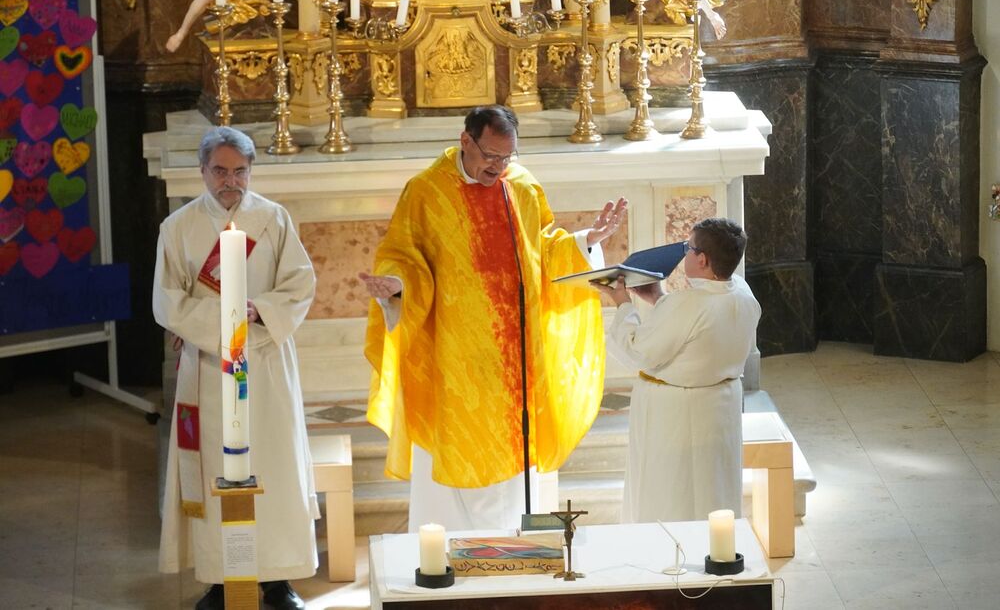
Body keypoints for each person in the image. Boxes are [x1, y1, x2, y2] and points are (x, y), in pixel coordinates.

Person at [360, 105, 627, 531]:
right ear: (465, 141)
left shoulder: (520, 185)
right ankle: (447, 555)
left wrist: (584, 241)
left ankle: (514, 554)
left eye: (507, 157)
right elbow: (403, 256)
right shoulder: (427, 192)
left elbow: (543, 247)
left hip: (515, 358)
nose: (498, 167)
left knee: (515, 471)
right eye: (490, 156)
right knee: (454, 469)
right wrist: (397, 285)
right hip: (455, 358)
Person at [154, 127, 318, 610]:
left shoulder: (273, 219)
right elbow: (167, 301)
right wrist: (223, 323)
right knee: (214, 471)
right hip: (208, 367)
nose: (231, 181)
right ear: (203, 171)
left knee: (275, 465)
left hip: (265, 362)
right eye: (220, 171)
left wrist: (258, 312)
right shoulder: (178, 227)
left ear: (251, 171)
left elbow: (299, 284)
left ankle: (278, 578)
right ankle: (221, 578)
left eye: (240, 171)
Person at [594, 218, 760, 523]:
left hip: (676, 417)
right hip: (719, 409)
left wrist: (622, 303)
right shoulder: (743, 293)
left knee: (671, 497)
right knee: (713, 493)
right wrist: (658, 298)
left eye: (689, 248)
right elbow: (697, 337)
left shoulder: (688, 304)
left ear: (702, 259)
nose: (684, 254)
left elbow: (637, 351)